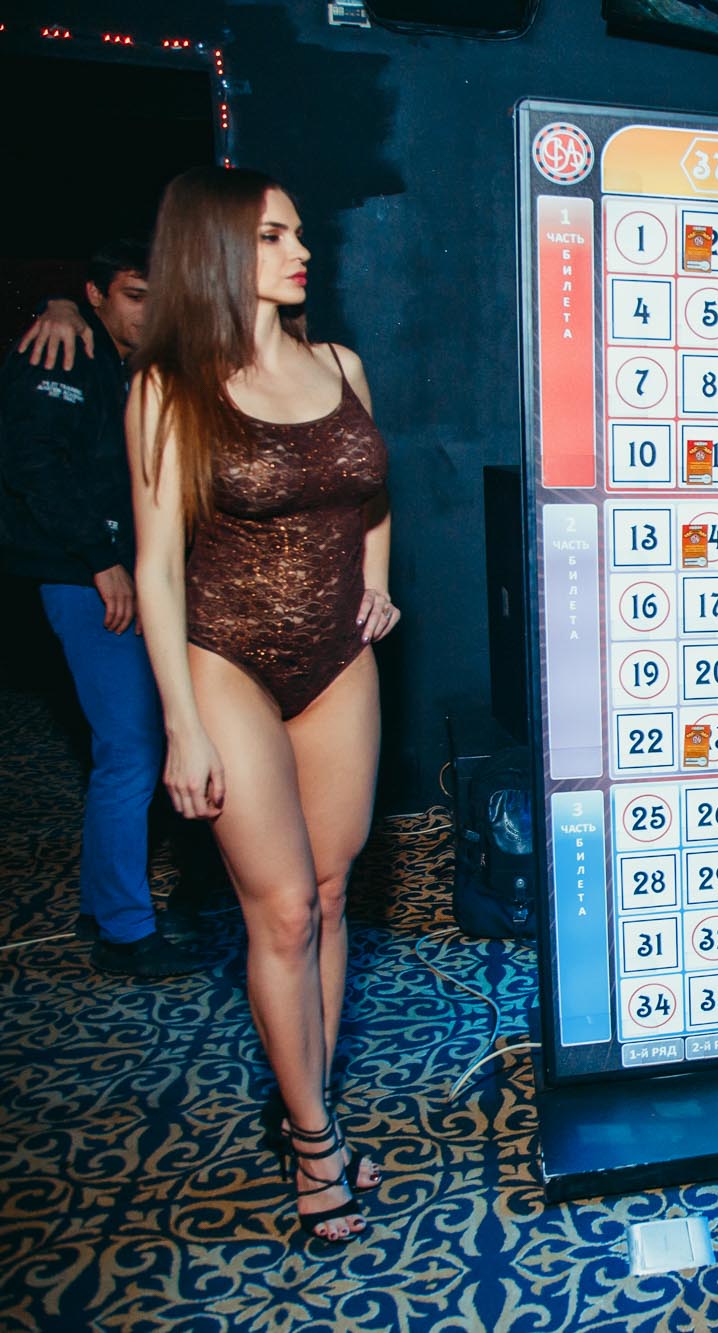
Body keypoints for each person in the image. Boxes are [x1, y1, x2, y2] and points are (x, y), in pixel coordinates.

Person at [126, 166, 397, 1243]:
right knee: (281, 910)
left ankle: (304, 1105)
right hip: (224, 659)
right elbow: (157, 568)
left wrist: (378, 578)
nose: (302, 251)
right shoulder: (171, 388)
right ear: (216, 249)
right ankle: (316, 1143)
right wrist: (180, 726)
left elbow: (372, 488)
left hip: (338, 661)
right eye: (275, 235)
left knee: (329, 892)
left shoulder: (340, 365)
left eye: (299, 232)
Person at [0, 240, 204, 977]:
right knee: (133, 749)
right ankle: (125, 934)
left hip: (119, 572)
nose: (148, 312)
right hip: (84, 578)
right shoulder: (62, 352)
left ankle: (105, 906)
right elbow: (32, 467)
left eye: (157, 297)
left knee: (129, 746)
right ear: (94, 296)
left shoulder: (132, 366)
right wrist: (100, 560)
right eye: (133, 296)